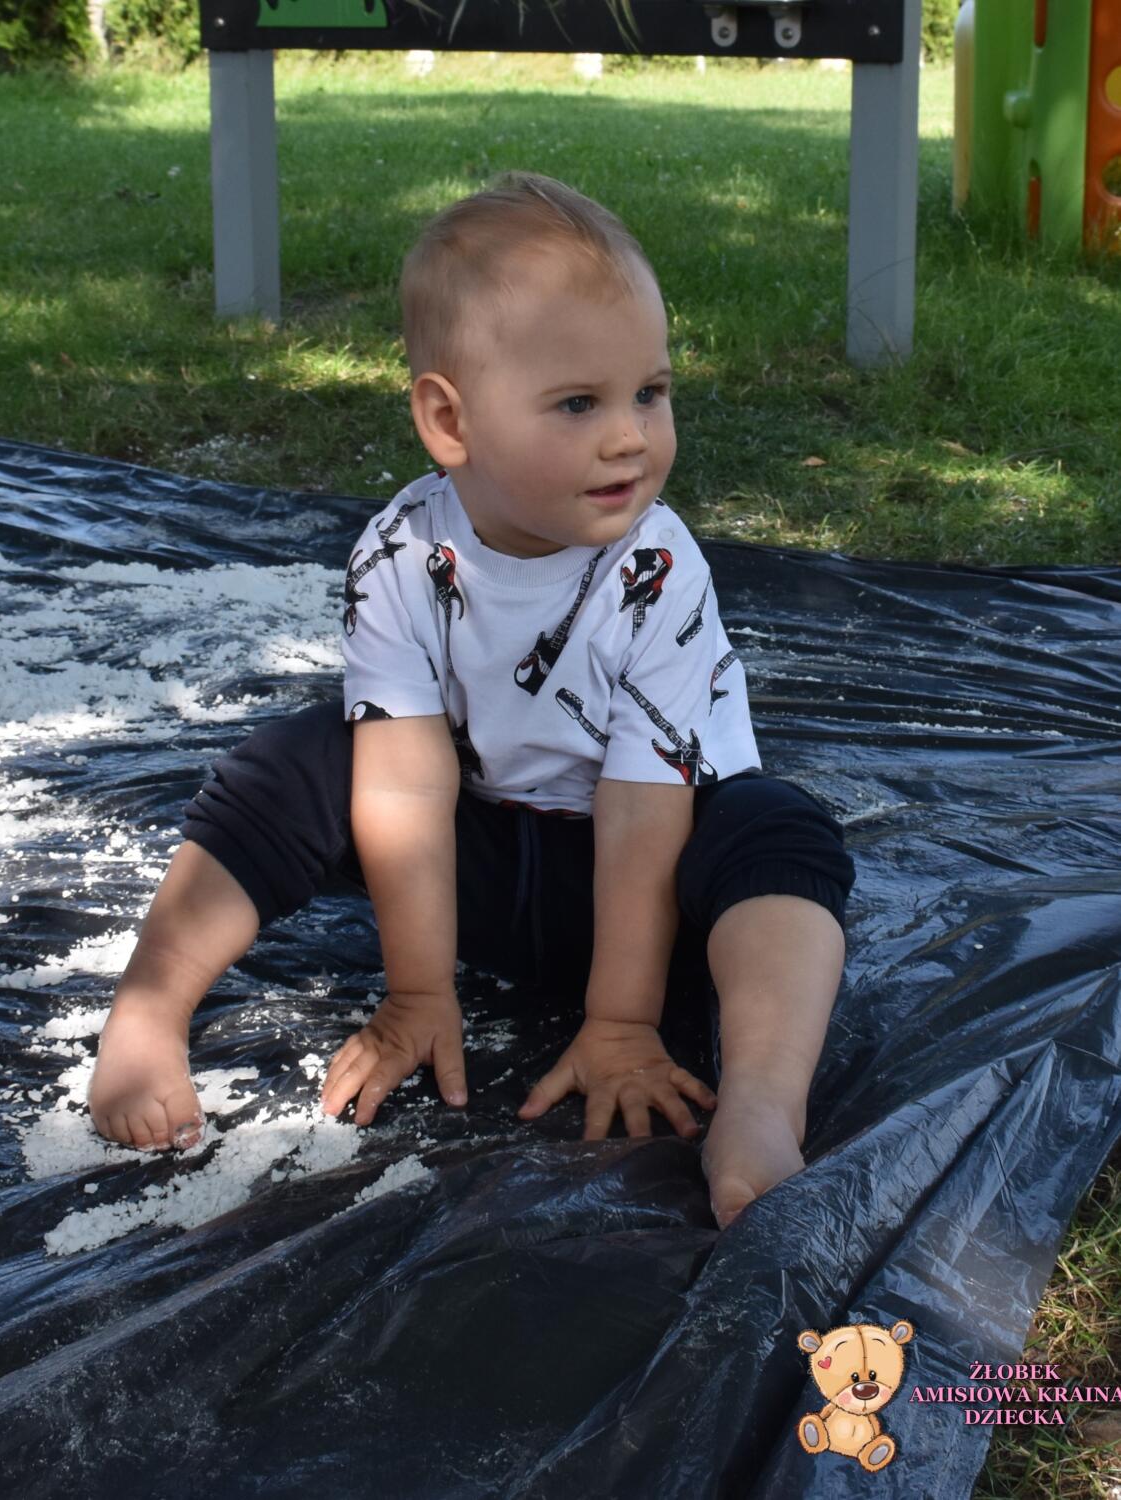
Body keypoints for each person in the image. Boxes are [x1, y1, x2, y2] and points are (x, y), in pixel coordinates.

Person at [88, 170, 855, 1229]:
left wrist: (622, 1021)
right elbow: (404, 782)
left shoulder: (657, 565)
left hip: (657, 893)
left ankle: (763, 1102)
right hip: (475, 866)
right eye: (579, 403)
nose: (630, 436)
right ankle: (148, 1009)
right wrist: (417, 992)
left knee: (779, 832)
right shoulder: (401, 553)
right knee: (297, 759)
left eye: (650, 392)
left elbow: (645, 806)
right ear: (449, 421)